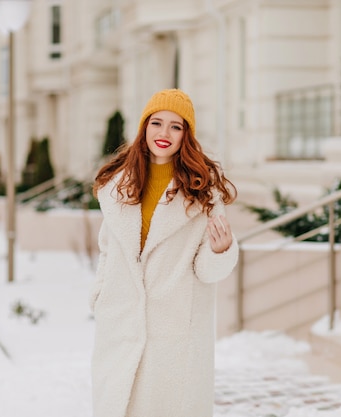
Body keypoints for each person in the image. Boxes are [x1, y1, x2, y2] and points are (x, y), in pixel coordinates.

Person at [89, 88, 239, 417]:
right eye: (157, 123)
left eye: (176, 126)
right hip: (121, 324)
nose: (164, 133)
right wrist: (100, 296)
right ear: (144, 128)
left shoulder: (202, 191)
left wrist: (221, 249)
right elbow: (107, 251)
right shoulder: (118, 187)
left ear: (186, 135)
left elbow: (207, 270)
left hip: (174, 332)